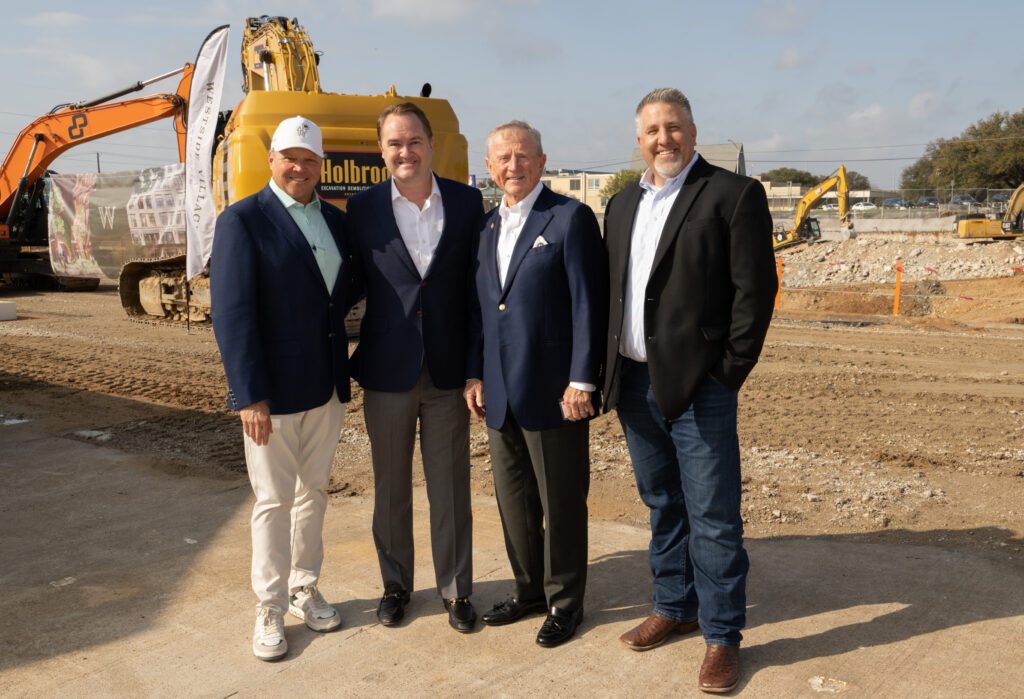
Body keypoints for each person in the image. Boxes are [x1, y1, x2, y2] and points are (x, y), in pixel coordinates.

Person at [602, 88, 777, 692]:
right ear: (639, 139)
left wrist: (728, 370)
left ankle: (723, 637)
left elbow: (755, 292)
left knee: (714, 514)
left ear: (694, 132)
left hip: (701, 385)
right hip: (634, 383)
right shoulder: (622, 204)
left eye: (673, 128)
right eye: (652, 130)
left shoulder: (732, 195)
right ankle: (674, 606)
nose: (663, 139)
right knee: (661, 503)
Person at [211, 116, 355, 661]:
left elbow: (338, 300)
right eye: (290, 157)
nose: (299, 167)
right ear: (272, 160)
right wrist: (249, 394)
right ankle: (268, 605)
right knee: (272, 500)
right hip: (269, 395)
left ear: (322, 166)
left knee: (313, 493)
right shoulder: (243, 221)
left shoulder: (336, 224)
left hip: (325, 388)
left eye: (310, 159)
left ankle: (303, 586)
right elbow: (233, 313)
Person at [465, 120, 608, 648]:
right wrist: (475, 373)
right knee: (514, 500)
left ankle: (565, 602)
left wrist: (581, 381)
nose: (513, 166)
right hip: (499, 395)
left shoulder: (570, 219)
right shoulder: (484, 228)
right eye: (503, 158)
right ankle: (527, 589)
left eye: (523, 156)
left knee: (562, 502)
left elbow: (587, 306)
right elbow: (483, 309)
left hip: (555, 394)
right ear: (489, 167)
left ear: (543, 161)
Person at [346, 103, 482, 633]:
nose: (406, 152)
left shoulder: (469, 204)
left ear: (431, 143)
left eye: (414, 141)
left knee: (451, 487)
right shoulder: (362, 211)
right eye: (395, 144)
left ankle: (456, 591)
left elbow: (476, 293)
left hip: (448, 371)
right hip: (387, 370)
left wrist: (477, 367)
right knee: (391, 487)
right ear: (381, 150)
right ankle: (396, 586)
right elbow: (343, 284)